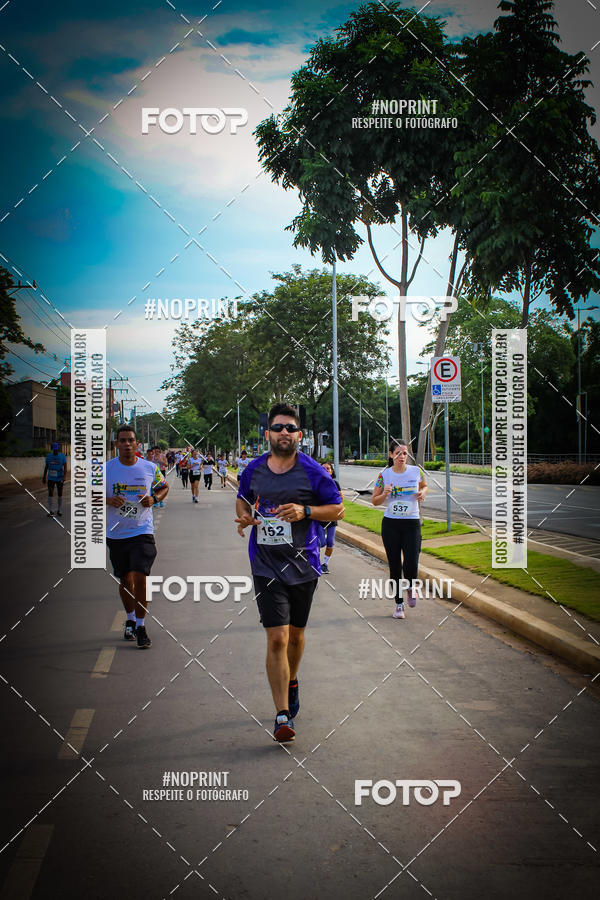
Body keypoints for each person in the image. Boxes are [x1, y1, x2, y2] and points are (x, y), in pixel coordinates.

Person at [235, 402, 344, 743]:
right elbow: (242, 498)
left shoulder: (313, 472)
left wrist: (306, 510)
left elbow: (338, 509)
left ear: (299, 435)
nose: (284, 432)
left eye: (290, 428)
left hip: (304, 563)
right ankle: (282, 714)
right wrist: (244, 515)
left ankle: (292, 679)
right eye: (278, 427)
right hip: (266, 563)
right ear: (267, 433)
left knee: (296, 635)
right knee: (277, 637)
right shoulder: (254, 469)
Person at [105, 425, 169, 649]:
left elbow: (163, 487)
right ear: (116, 444)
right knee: (126, 580)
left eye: (130, 440)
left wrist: (153, 498)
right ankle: (130, 618)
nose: (127, 444)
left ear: (137, 443)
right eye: (122, 440)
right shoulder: (106, 469)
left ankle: (141, 626)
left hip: (142, 531)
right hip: (116, 533)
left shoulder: (150, 467)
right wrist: (108, 501)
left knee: (140, 576)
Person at [371, 440, 428, 619]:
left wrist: (423, 493)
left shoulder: (415, 471)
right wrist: (385, 493)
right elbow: (374, 500)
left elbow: (424, 486)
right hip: (391, 525)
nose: (402, 456)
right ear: (390, 454)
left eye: (405, 453)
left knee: (411, 561)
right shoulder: (384, 475)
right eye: (398, 453)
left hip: (412, 523)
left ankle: (411, 586)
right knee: (395, 566)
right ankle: (398, 604)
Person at [316, 462, 342, 574]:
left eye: (328, 468)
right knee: (321, 542)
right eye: (323, 468)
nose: (326, 470)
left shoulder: (335, 484)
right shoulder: (315, 483)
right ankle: (315, 562)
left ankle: (325, 564)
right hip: (319, 517)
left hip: (331, 516)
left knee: (330, 542)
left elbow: (340, 498)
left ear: (332, 471)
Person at [43, 442, 68, 517]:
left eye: (56, 450)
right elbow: (46, 467)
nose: (55, 451)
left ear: (58, 449)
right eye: (54, 450)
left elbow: (65, 467)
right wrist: (44, 476)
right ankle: (51, 510)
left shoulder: (62, 456)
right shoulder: (49, 456)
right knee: (50, 492)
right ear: (52, 450)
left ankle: (59, 510)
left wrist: (64, 477)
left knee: (60, 493)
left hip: (60, 477)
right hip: (51, 477)